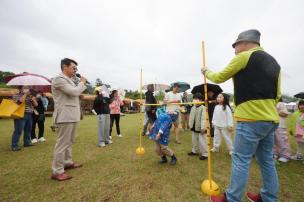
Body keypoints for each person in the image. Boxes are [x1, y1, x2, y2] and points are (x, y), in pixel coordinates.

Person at [203, 29, 281, 202]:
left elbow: (219, 76)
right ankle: (269, 198)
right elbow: (278, 95)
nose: (234, 49)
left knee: (241, 160)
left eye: (236, 45)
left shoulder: (244, 56)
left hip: (250, 119)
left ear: (245, 43)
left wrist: (206, 71)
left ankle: (231, 198)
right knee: (267, 161)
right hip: (270, 119)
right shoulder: (275, 63)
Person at [51, 58, 87, 181]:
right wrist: (81, 83)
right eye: (73, 68)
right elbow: (73, 92)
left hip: (72, 114)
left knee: (69, 141)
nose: (75, 70)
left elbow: (74, 94)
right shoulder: (59, 79)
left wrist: (79, 92)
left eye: (76, 68)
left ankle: (67, 162)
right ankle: (57, 171)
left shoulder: (70, 81)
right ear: (65, 67)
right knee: (62, 143)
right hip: (64, 115)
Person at [11, 86, 38, 151]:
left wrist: (34, 100)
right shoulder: (16, 95)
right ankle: (14, 145)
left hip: (29, 114)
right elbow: (19, 102)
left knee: (28, 130)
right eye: (25, 88)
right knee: (18, 130)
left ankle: (27, 142)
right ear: (20, 89)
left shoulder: (30, 96)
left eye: (27, 88)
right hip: (20, 115)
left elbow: (36, 105)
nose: (27, 89)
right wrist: (25, 94)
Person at [187, 93, 208, 160]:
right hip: (194, 127)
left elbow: (204, 119)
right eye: (194, 99)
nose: (195, 100)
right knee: (194, 140)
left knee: (202, 141)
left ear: (201, 100)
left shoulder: (203, 108)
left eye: (196, 99)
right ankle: (194, 151)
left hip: (201, 128)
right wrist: (190, 125)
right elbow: (191, 117)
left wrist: (203, 128)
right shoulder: (193, 107)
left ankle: (205, 154)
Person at [273, 99, 291, 163]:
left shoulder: (280, 103)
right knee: (273, 140)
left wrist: (275, 111)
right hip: (272, 124)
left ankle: (285, 156)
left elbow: (285, 114)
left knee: (282, 140)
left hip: (280, 125)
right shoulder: (270, 102)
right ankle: (275, 153)